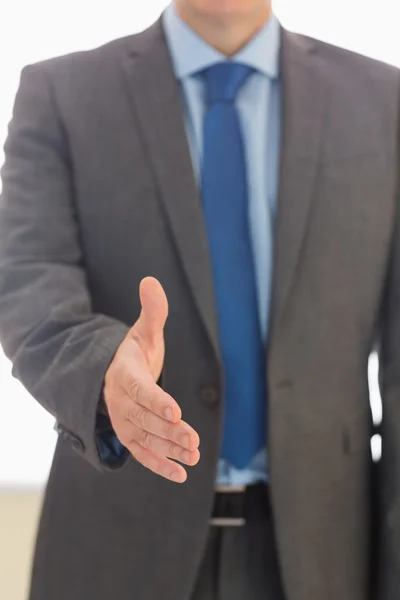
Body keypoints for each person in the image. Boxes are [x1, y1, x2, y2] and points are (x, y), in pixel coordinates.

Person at [0, 0, 399, 598]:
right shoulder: (61, 92)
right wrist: (105, 370)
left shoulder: (384, 99)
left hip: (326, 553)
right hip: (117, 546)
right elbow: (27, 280)